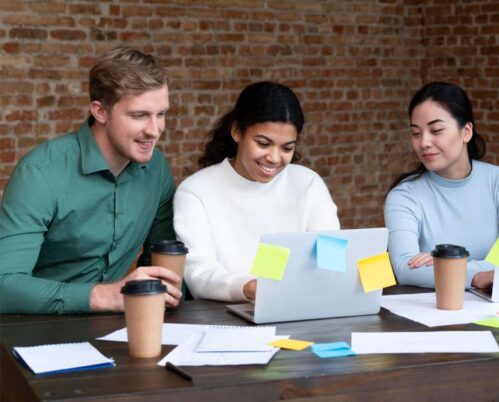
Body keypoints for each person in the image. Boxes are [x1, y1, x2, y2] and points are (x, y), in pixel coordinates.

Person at [0, 47, 181, 314]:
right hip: (35, 330)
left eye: (161, 114)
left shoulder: (156, 170)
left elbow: (161, 260)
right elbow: (4, 285)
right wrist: (104, 296)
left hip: (118, 329)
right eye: (139, 115)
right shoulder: (40, 173)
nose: (154, 130)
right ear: (100, 112)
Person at [174, 82, 340, 302]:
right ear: (237, 132)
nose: (274, 157)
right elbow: (199, 274)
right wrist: (249, 288)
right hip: (223, 319)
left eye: (287, 148)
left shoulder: (307, 183)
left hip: (300, 309)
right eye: (263, 143)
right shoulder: (196, 191)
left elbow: (332, 259)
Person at [385, 82, 499, 290]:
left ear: (466, 132)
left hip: (498, 309)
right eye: (416, 133)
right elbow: (404, 269)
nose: (424, 142)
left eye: (436, 130)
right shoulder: (404, 195)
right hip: (433, 314)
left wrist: (446, 266)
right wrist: (476, 276)